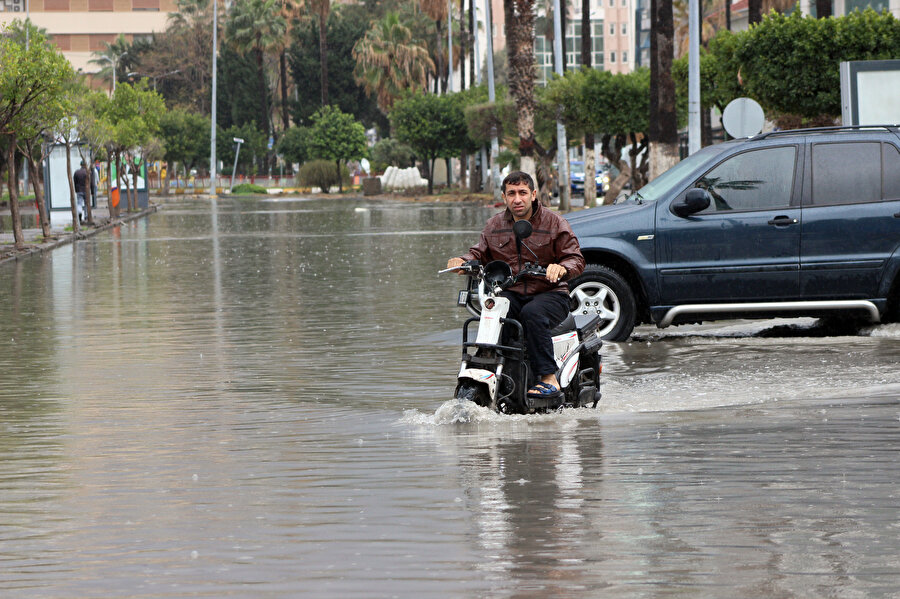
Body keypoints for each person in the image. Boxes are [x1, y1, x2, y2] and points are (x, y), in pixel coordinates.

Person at [446, 171, 585, 398]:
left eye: (522, 193)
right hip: (511, 292)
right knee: (494, 309)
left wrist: (561, 268)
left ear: (533, 194)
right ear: (504, 196)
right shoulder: (495, 225)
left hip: (550, 293)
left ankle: (549, 377)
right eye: (511, 193)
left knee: (532, 312)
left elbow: (576, 259)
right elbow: (478, 253)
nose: (517, 199)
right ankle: (491, 366)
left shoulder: (554, 222)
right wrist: (462, 261)